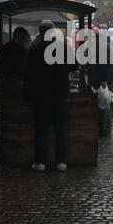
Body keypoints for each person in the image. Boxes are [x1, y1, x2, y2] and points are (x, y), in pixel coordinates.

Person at [23, 20, 77, 172]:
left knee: (40, 128)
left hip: (41, 94)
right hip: (61, 93)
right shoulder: (63, 47)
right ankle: (61, 161)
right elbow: (73, 66)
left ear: (40, 32)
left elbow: (28, 75)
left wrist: (27, 95)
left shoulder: (35, 48)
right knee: (61, 128)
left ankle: (40, 162)